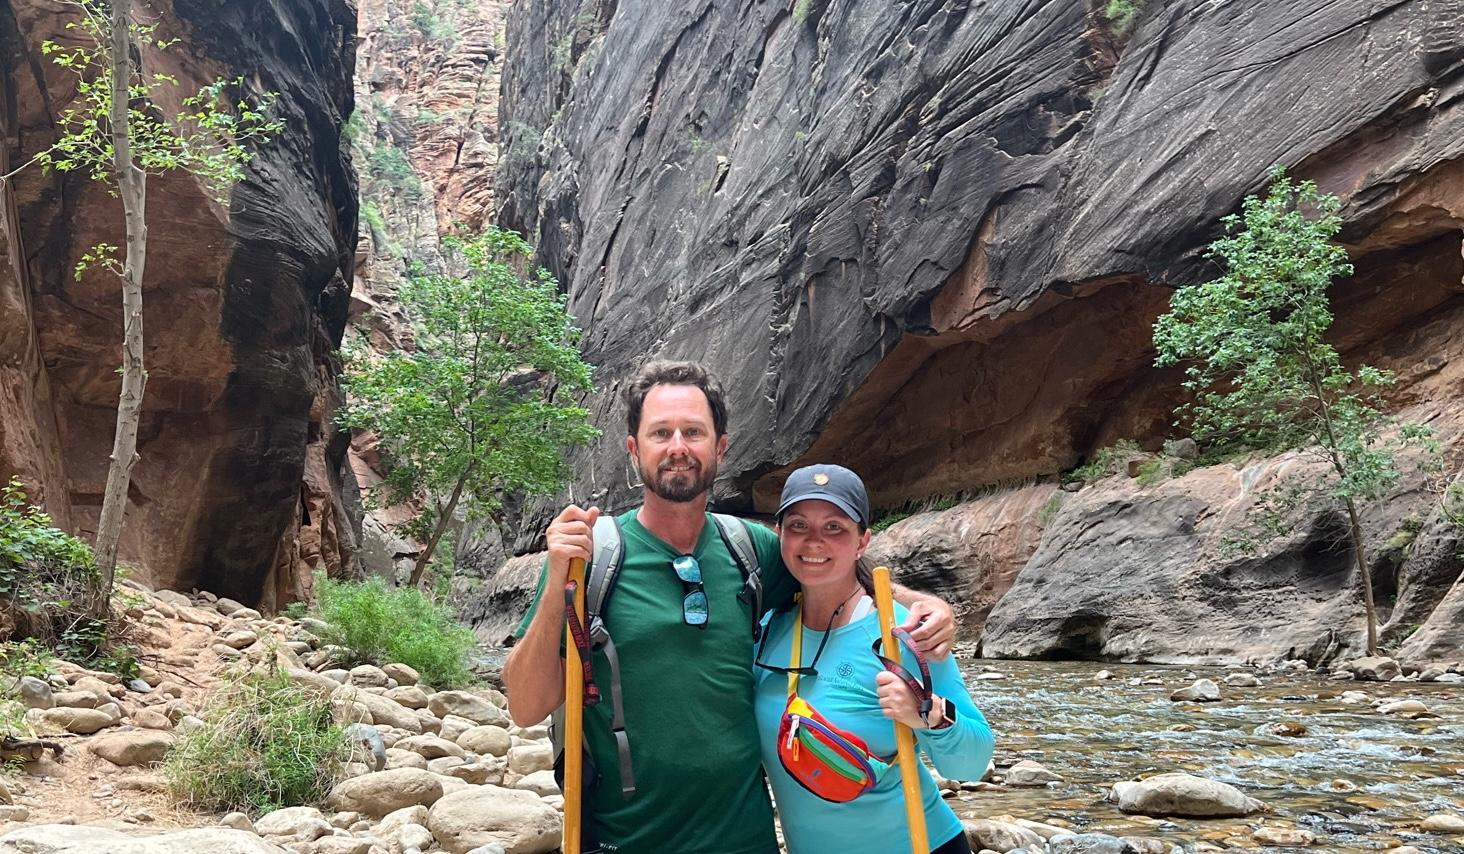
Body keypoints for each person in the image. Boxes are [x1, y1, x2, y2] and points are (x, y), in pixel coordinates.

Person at [503, 360, 958, 854]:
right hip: (626, 839)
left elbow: (835, 572)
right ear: (634, 449)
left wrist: (924, 603)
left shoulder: (751, 549)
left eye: (693, 432)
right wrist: (556, 580)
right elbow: (526, 707)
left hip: (745, 840)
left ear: (720, 447)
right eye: (661, 433)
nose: (678, 447)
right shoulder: (589, 558)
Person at [754, 463, 995, 854]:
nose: (814, 541)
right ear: (779, 534)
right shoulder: (766, 630)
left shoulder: (903, 633)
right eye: (799, 525)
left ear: (862, 541)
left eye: (834, 527)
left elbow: (971, 763)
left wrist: (927, 712)